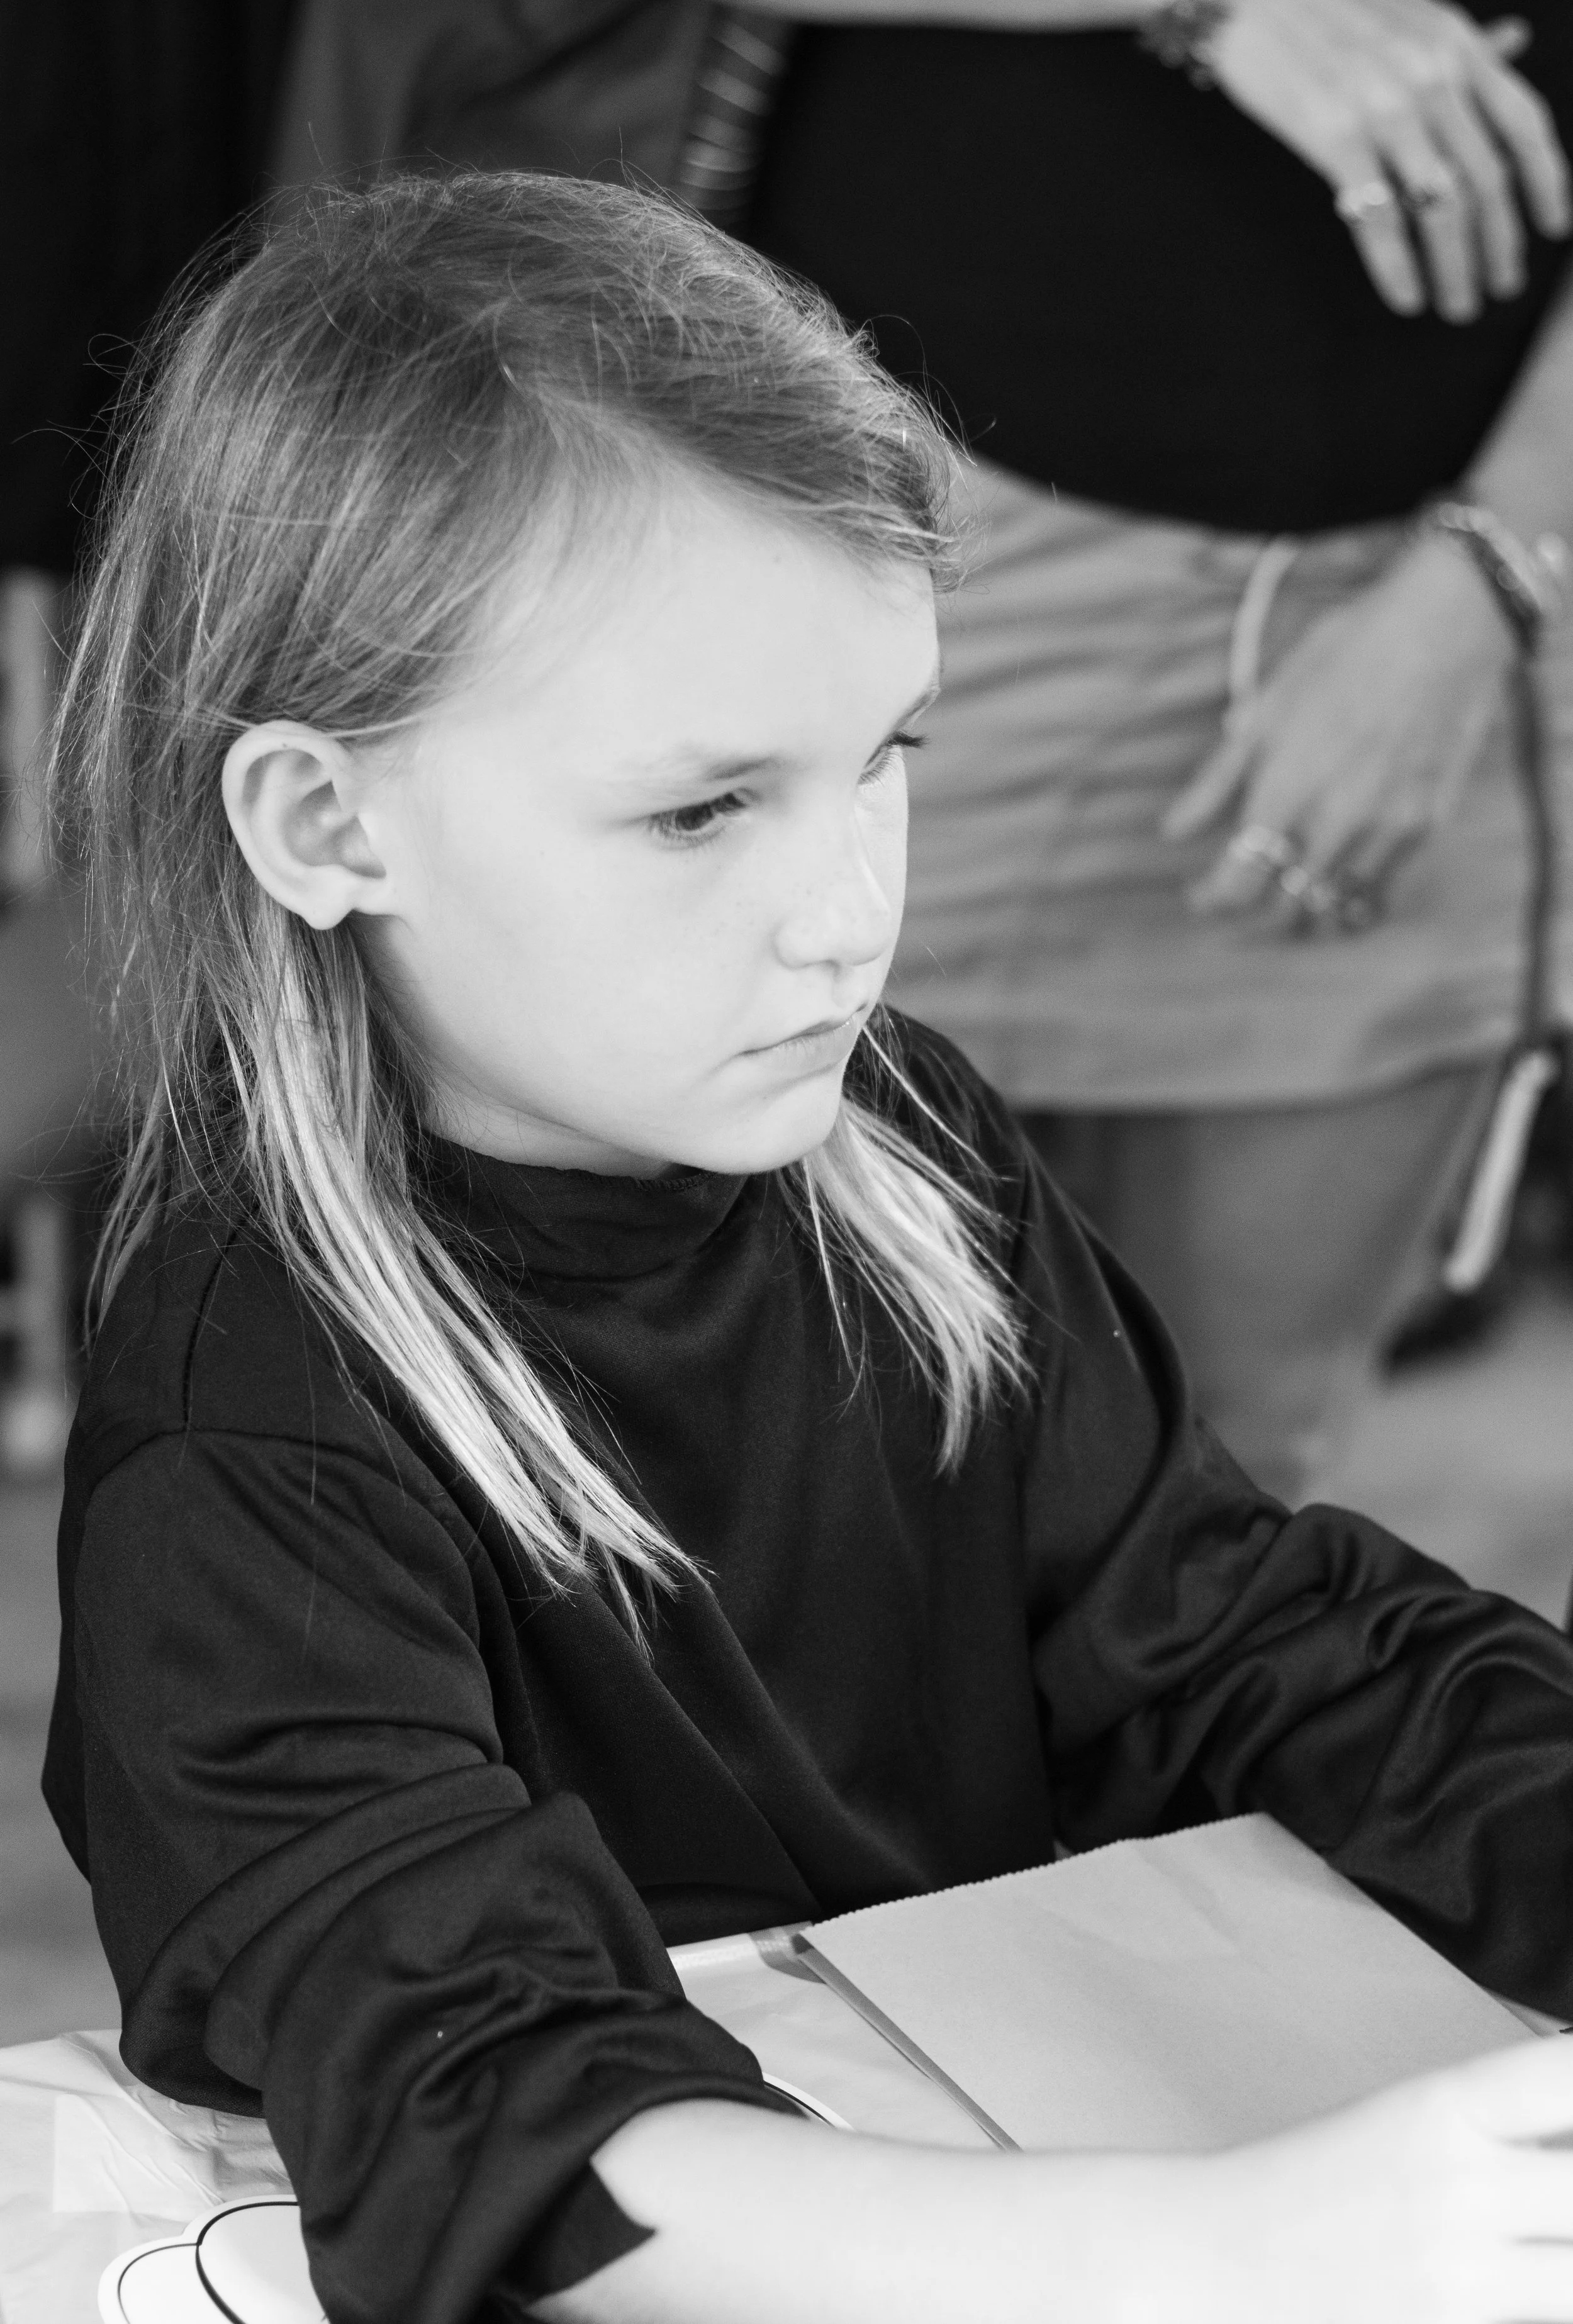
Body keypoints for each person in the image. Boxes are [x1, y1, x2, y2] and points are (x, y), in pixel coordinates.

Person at [41, 172, 1573, 2324]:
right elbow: (491, 2116)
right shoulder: (253, 1406)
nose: (848, 908)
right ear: (325, 824)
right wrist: (1234, 2247)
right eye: (702, 810)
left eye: (887, 760)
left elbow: (1241, 1641)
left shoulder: (904, 1140)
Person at [656, 0, 1573, 1502]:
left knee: (1222, 1482)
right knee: (767, 1460)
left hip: (1430, 603)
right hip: (879, 557)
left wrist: (1475, 592)